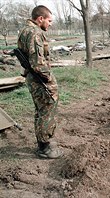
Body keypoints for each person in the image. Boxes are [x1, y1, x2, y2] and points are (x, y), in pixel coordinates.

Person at [17, 5, 63, 159]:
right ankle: (45, 147)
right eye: (49, 20)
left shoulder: (24, 30)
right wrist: (50, 80)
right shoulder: (35, 33)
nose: (50, 23)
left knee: (40, 110)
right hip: (39, 79)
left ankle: (43, 143)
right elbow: (38, 64)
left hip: (32, 78)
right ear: (40, 19)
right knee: (47, 110)